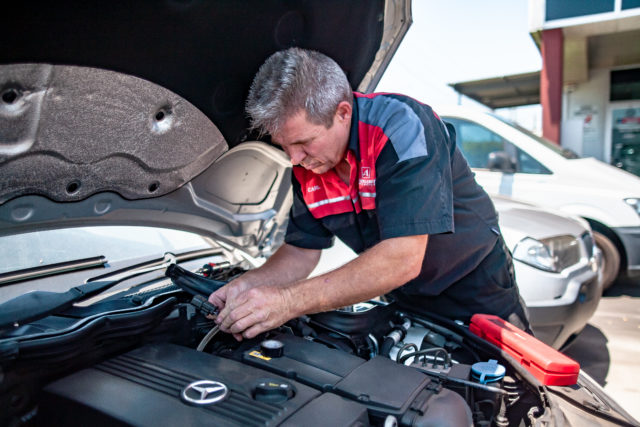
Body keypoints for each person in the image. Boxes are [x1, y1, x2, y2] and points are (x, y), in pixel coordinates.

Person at [209, 47, 530, 341]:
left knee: (504, 393)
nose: (294, 159)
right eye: (285, 145)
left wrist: (287, 302)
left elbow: (402, 259)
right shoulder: (310, 165)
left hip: (475, 287)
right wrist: (247, 285)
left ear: (343, 113)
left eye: (304, 142)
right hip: (402, 296)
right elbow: (300, 252)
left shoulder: (402, 129)